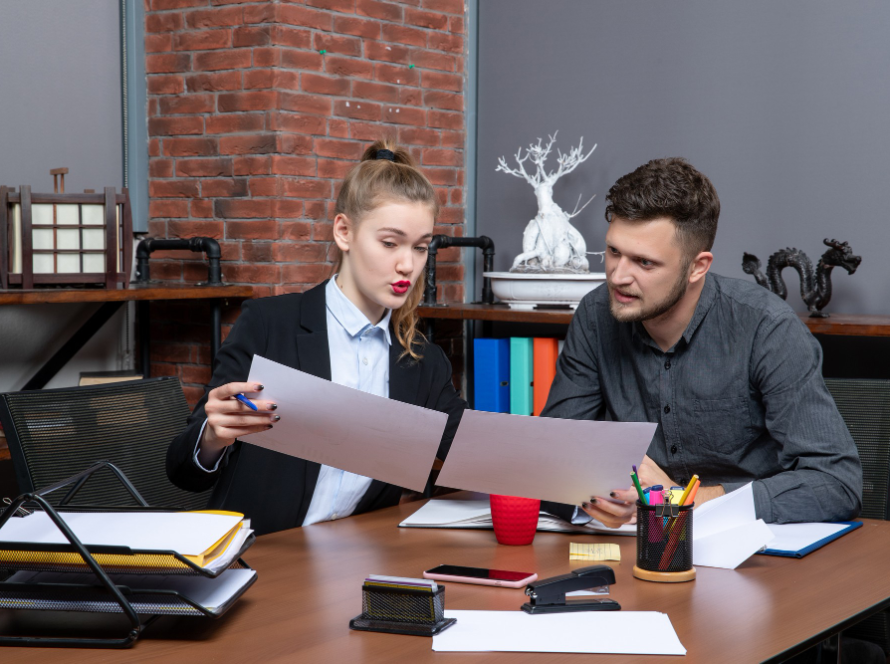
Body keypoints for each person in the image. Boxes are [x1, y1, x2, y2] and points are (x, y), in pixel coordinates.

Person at [541, 157, 862, 528]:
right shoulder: (596, 315)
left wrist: (678, 501)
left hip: (751, 552)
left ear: (697, 266)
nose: (618, 276)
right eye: (614, 252)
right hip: (633, 547)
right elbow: (557, 455)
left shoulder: (766, 327)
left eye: (644, 262)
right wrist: (601, 498)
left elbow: (837, 484)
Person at [167, 140, 466, 535]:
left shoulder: (424, 363)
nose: (407, 265)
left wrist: (566, 481)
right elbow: (182, 471)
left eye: (421, 247)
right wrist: (211, 436)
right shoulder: (270, 325)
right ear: (344, 231)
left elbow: (478, 450)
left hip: (353, 561)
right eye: (390, 243)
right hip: (258, 558)